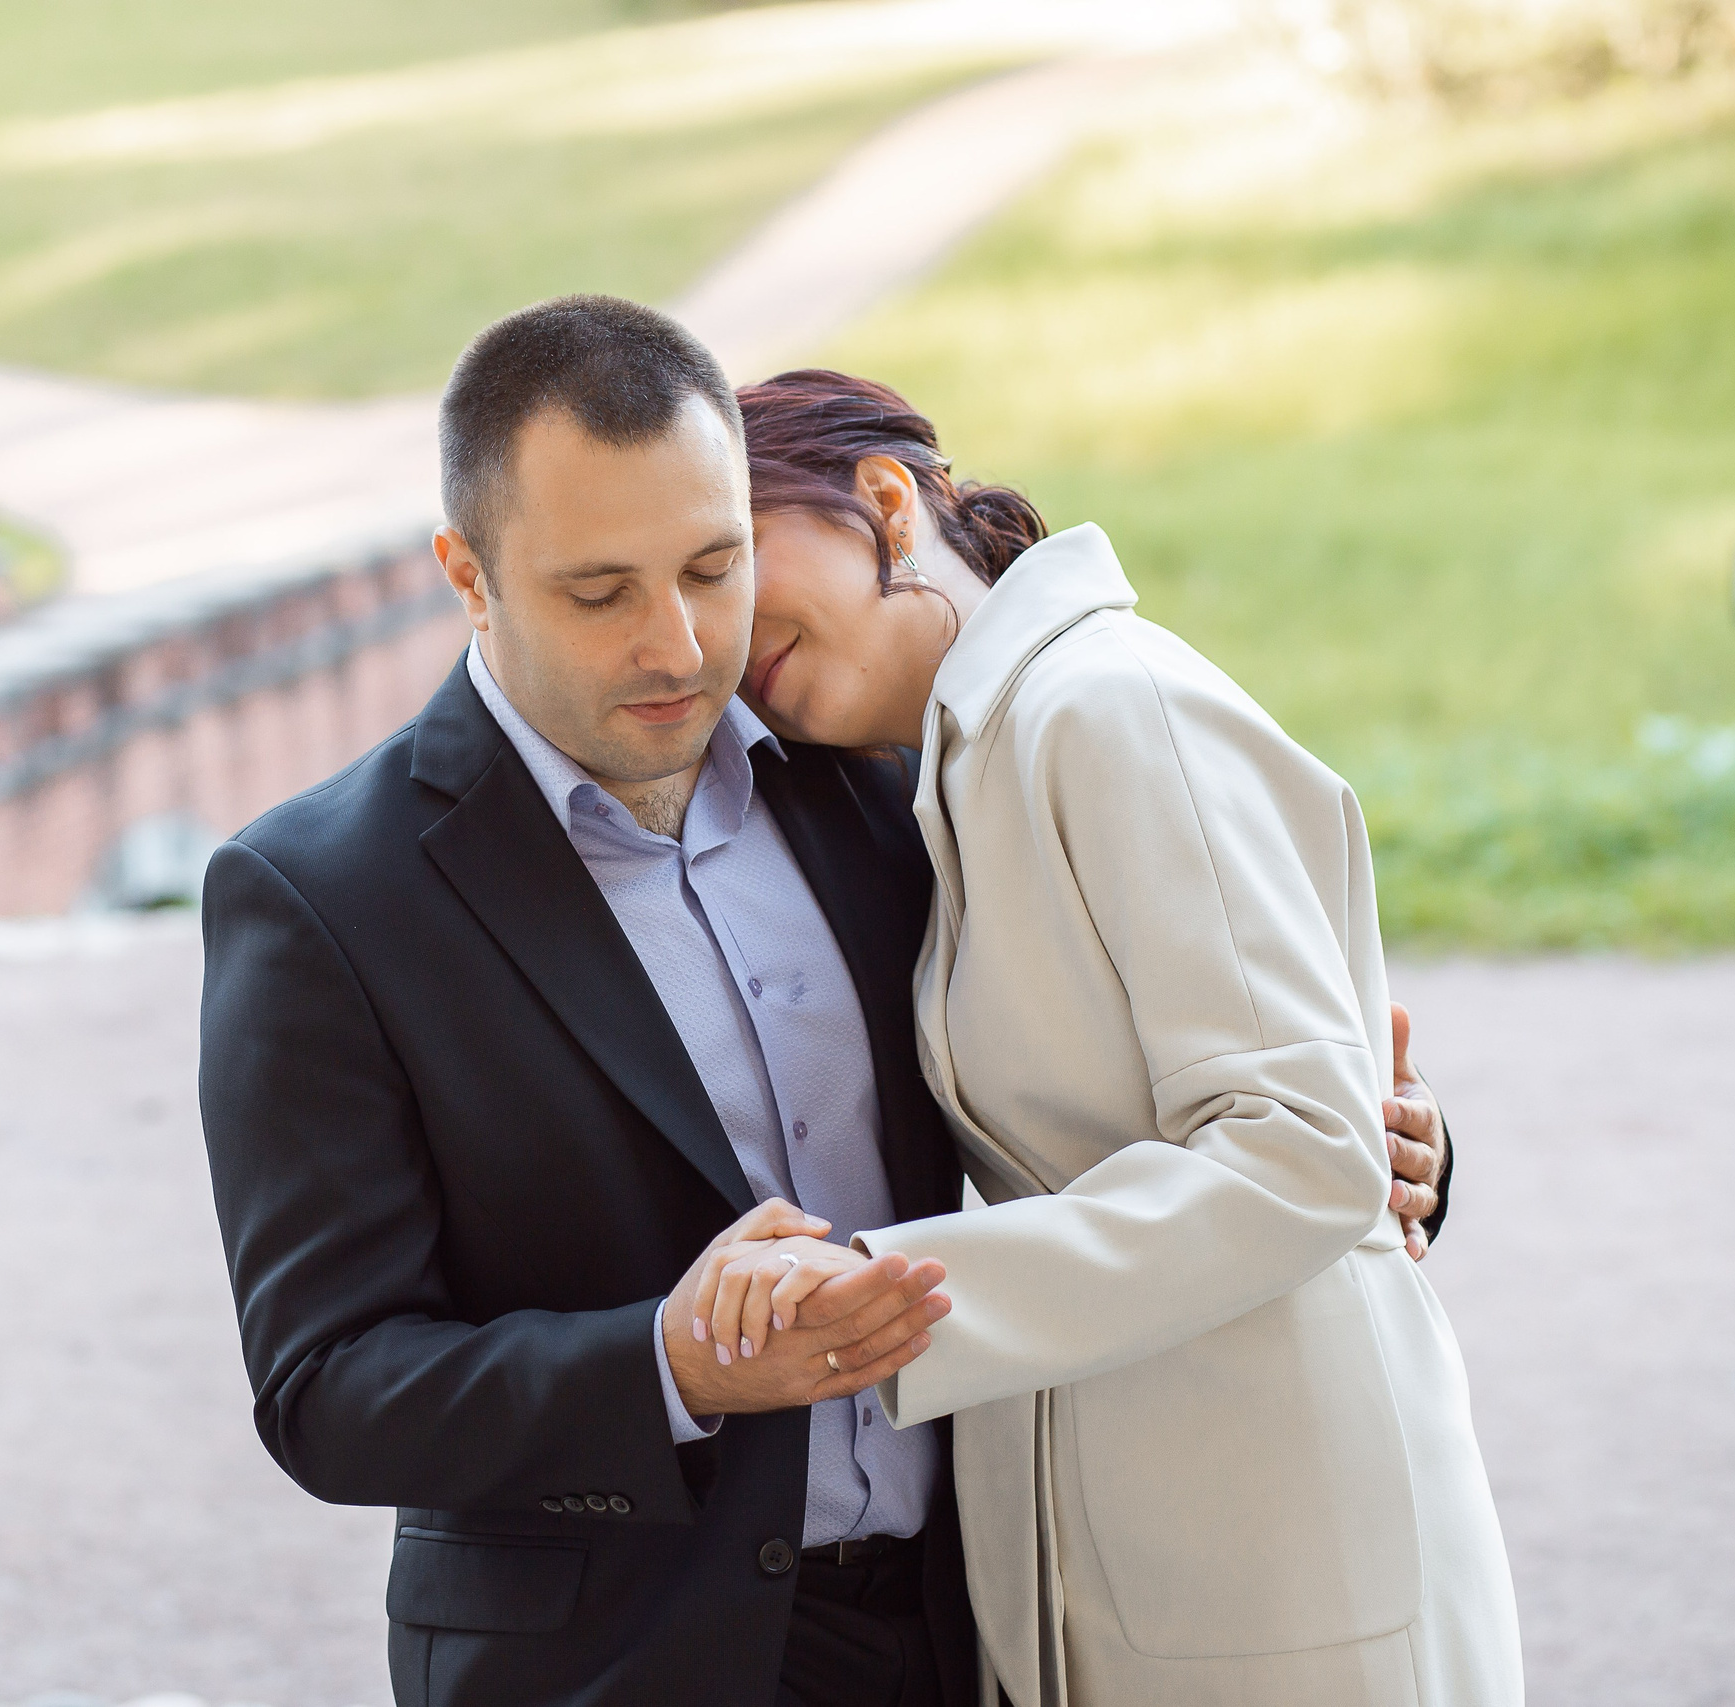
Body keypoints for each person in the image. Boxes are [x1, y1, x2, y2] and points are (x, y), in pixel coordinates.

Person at [196, 297, 1451, 1707]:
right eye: (599, 594)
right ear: (468, 577)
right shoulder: (321, 894)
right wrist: (671, 1366)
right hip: (615, 1669)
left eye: (713, 567)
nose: (679, 646)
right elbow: (328, 1389)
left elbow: (1109, 1075)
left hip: (968, 1632)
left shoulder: (877, 769)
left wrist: (1376, 1137)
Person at [688, 370, 1518, 1706]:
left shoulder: (1104, 705)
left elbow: (1303, 1150)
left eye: (727, 562)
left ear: (886, 501)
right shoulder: (952, 770)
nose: (713, 636)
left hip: (1282, 1553)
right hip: (1136, 1548)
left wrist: (900, 1296)